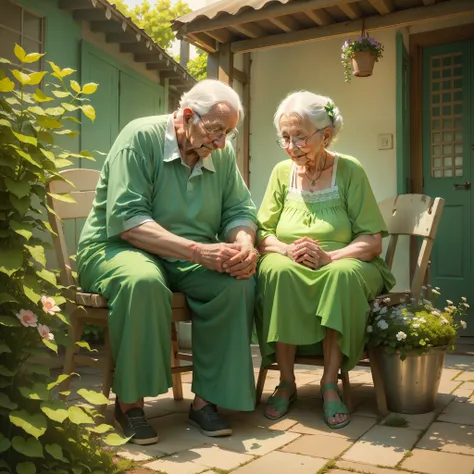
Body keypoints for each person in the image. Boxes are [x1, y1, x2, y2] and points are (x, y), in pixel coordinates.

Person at [77, 79, 259, 445]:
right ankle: (129, 406)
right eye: (216, 131)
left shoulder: (219, 151)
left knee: (235, 282)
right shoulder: (139, 138)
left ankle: (207, 402)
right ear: (187, 116)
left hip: (186, 256)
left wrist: (244, 242)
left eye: (229, 133)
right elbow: (128, 220)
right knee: (143, 281)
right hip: (117, 249)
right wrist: (196, 251)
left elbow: (238, 208)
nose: (222, 143)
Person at [255, 91, 395, 429]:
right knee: (275, 270)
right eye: (285, 138)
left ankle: (329, 384)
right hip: (291, 258)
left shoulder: (349, 170)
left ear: (326, 135)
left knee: (341, 276)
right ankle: (286, 381)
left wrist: (331, 256)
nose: (291, 146)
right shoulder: (280, 172)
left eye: (299, 137)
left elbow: (371, 241)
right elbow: (262, 233)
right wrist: (286, 250)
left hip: (346, 258)